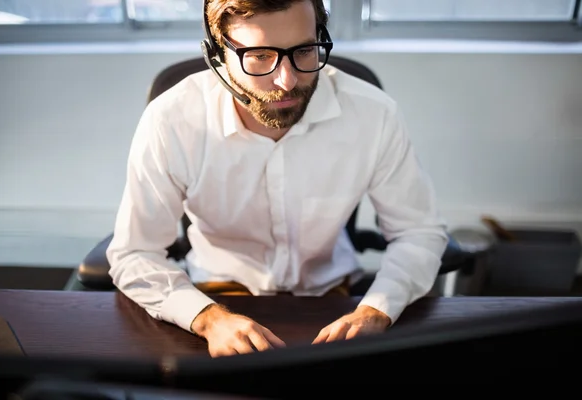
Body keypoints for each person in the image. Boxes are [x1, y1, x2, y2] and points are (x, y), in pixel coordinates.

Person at [106, 0, 448, 358]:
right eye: (259, 56)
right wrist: (207, 319)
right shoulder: (171, 120)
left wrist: (378, 308)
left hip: (331, 300)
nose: (286, 81)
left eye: (303, 50)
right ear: (218, 53)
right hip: (213, 295)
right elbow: (134, 253)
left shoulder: (374, 115)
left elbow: (419, 233)